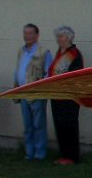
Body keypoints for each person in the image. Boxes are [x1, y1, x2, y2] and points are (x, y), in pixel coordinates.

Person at [46, 26, 85, 165]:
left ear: (68, 38)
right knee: (59, 125)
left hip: (68, 97)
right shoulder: (59, 52)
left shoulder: (74, 54)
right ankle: (64, 155)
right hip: (56, 96)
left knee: (69, 125)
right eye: (57, 36)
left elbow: (75, 75)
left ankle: (72, 157)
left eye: (61, 36)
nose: (58, 39)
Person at [14, 23, 48, 161]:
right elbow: (18, 71)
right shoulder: (21, 51)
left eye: (29, 33)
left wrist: (41, 90)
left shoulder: (44, 52)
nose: (26, 36)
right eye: (25, 33)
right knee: (28, 126)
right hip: (23, 93)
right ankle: (29, 154)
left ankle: (40, 155)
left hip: (37, 94)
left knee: (38, 125)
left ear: (36, 35)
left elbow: (48, 74)